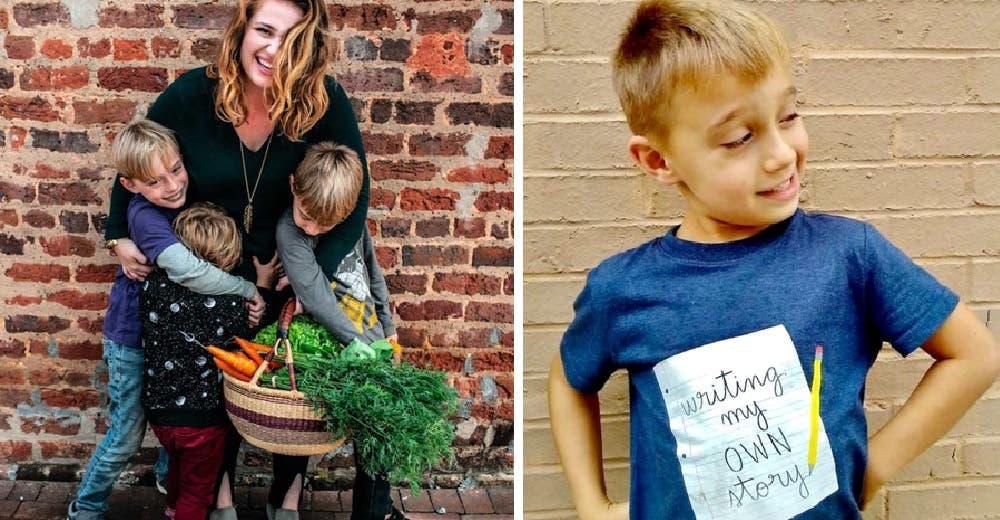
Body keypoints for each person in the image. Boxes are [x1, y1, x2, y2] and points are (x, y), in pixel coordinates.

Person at [548, 1, 1000, 519]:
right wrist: (591, 506)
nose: (782, 153)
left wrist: (866, 471)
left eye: (788, 116)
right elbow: (568, 378)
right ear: (659, 160)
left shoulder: (848, 256)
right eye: (740, 138)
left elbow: (974, 355)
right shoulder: (624, 288)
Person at [99, 0, 370, 517]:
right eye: (264, 30)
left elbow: (355, 197)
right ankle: (219, 496)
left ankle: (286, 498)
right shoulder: (191, 94)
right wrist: (118, 234)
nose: (272, 49)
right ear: (242, 28)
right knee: (210, 386)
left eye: (290, 39)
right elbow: (136, 164)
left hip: (287, 273)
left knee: (296, 383)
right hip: (207, 278)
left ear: (309, 47)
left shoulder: (324, 101)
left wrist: (315, 277)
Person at [69, 121, 267, 520]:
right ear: (130, 187)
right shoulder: (145, 216)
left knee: (171, 416)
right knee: (127, 436)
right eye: (155, 181)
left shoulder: (173, 201)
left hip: (163, 336)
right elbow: (188, 271)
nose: (173, 185)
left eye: (176, 170)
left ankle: (169, 486)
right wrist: (248, 289)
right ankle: (86, 508)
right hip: (131, 339)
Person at [275, 142, 402, 520]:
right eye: (305, 215)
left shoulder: (351, 221)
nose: (310, 227)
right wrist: (355, 343)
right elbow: (316, 296)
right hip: (333, 345)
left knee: (380, 430)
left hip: (371, 335)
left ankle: (373, 511)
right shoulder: (289, 232)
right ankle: (284, 501)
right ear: (293, 185)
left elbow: (373, 275)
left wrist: (388, 330)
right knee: (303, 424)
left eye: (323, 224)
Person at [141, 203, 272, 520]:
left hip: (158, 411)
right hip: (203, 418)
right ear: (226, 259)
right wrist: (263, 283)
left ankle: (172, 510)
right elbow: (248, 331)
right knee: (198, 491)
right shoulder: (229, 304)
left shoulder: (153, 286)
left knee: (177, 467)